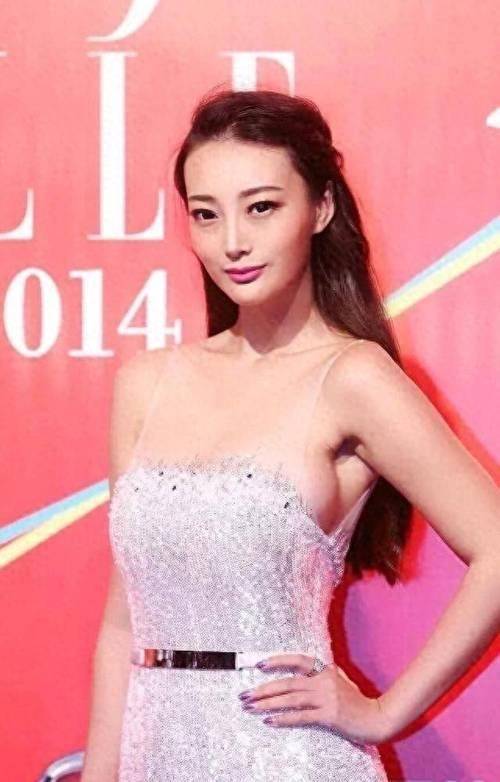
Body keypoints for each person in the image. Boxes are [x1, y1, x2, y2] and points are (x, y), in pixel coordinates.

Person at [81, 89, 500, 781]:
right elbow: (124, 622)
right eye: (206, 214)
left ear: (321, 207)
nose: (233, 242)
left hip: (289, 758)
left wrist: (384, 714)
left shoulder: (352, 376)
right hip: (156, 757)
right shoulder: (146, 382)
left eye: (262, 207)